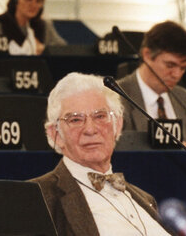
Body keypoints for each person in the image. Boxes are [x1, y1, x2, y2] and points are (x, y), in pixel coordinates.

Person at [31, 72, 170, 236]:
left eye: (100, 116)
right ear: (56, 134)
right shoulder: (37, 197)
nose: (90, 129)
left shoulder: (145, 199)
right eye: (75, 119)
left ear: (117, 126)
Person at [117, 21, 186, 147]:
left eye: (183, 68)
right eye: (170, 65)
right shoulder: (116, 96)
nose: (177, 74)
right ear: (147, 55)